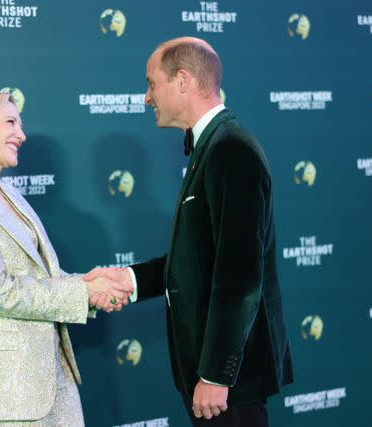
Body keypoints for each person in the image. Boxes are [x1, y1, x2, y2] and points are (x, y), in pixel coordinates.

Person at [85, 37, 293, 426]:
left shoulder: (231, 150)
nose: (147, 97)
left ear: (182, 81)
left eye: (151, 83)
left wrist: (217, 373)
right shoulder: (210, 147)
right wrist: (128, 280)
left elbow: (240, 276)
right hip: (215, 378)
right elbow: (199, 261)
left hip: (230, 384)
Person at [0, 90, 131, 426]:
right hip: (13, 385)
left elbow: (42, 274)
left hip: (55, 373)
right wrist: (83, 293)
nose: (21, 135)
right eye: (10, 122)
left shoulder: (11, 193)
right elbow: (0, 291)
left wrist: (89, 285)